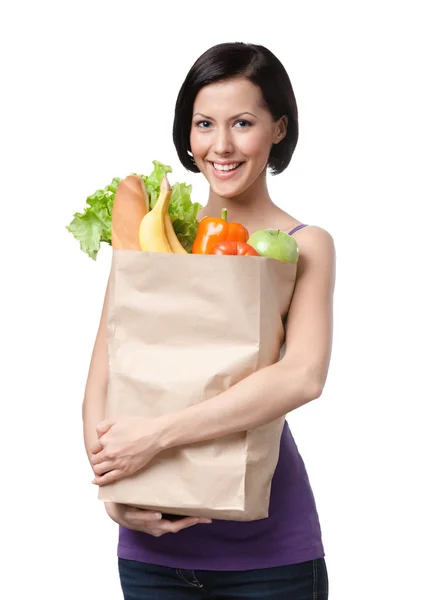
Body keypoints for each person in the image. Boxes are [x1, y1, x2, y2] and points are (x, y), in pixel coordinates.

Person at [83, 41, 336, 599]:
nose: (220, 146)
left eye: (242, 122)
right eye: (204, 124)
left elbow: (302, 377)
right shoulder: (156, 235)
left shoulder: (304, 245)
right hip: (150, 554)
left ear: (278, 129)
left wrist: (150, 439)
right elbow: (104, 372)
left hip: (270, 555)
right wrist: (114, 489)